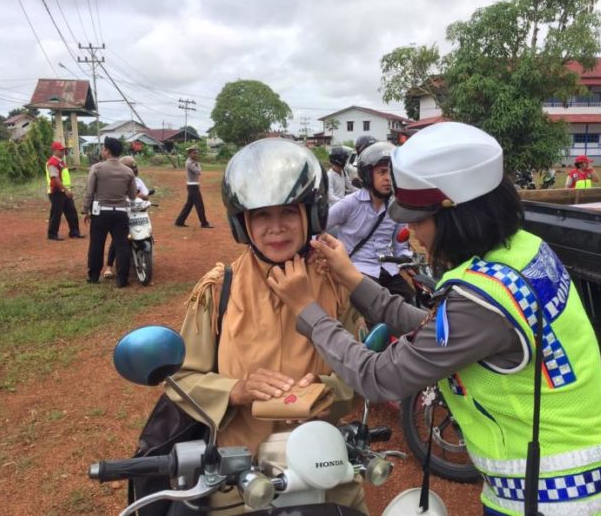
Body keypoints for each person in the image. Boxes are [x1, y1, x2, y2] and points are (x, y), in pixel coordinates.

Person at [268, 122, 601, 515]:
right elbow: (436, 326)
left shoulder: (482, 298)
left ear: (458, 215)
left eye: (419, 221)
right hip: (587, 474)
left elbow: (379, 376)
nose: (410, 231)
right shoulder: (522, 250)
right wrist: (352, 278)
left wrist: (307, 310)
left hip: (550, 497)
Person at [160, 138, 367, 513]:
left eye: (288, 211)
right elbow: (182, 378)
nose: (276, 228)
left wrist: (326, 392)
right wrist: (235, 390)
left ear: (311, 213)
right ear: (243, 223)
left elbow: (360, 379)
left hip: (325, 473)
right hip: (239, 480)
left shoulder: (337, 285)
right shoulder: (218, 288)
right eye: (260, 215)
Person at [327, 141, 414, 301]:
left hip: (387, 268)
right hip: (357, 269)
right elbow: (320, 226)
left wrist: (407, 259)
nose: (388, 179)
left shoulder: (397, 208)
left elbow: (400, 246)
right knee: (374, 307)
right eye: (382, 172)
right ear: (367, 174)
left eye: (391, 173)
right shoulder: (350, 203)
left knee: (409, 299)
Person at [82, 137, 136, 287]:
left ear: (107, 150)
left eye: (103, 148)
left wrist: (85, 210)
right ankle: (122, 279)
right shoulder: (128, 171)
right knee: (122, 245)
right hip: (120, 213)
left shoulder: (97, 168)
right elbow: (132, 196)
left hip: (100, 213)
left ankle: (93, 276)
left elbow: (89, 192)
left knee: (96, 244)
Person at [103, 156, 148, 279]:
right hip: (123, 213)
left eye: (134, 167)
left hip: (137, 212)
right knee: (117, 240)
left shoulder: (138, 181)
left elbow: (146, 195)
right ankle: (109, 266)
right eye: (131, 168)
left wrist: (143, 197)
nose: (134, 170)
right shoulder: (118, 181)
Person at [45, 141, 85, 240]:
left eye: (63, 150)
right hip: (56, 191)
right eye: (61, 150)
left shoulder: (60, 162)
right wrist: (66, 190)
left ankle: (74, 232)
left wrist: (67, 190)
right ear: (54, 150)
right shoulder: (52, 163)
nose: (63, 152)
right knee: (56, 214)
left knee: (72, 212)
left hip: (64, 191)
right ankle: (52, 234)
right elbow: (55, 178)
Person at [174, 145, 213, 228]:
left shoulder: (192, 162)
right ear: (189, 154)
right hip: (193, 186)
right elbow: (198, 172)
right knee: (199, 205)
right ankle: (204, 223)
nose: (196, 154)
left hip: (193, 186)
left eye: (197, 153)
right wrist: (198, 163)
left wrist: (197, 163)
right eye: (194, 153)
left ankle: (179, 221)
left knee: (189, 205)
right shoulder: (190, 163)